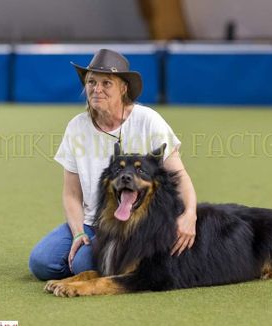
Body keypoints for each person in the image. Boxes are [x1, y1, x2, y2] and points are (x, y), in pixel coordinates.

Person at [29, 49, 197, 281]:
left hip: (139, 225)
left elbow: (180, 176)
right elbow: (71, 194)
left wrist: (190, 215)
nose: (97, 89)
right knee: (41, 263)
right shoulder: (76, 127)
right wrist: (78, 234)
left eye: (106, 83)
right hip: (93, 221)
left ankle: (113, 262)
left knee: (83, 264)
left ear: (123, 88)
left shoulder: (148, 120)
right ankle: (107, 259)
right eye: (91, 82)